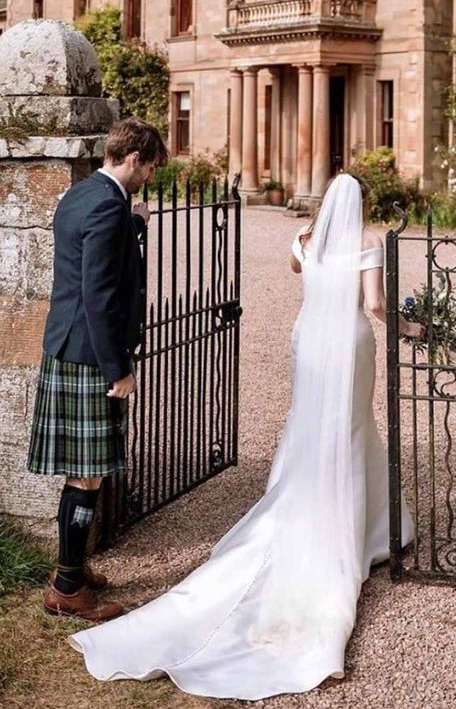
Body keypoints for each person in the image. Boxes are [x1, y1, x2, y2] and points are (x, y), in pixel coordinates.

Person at [68, 172, 422, 700]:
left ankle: (344, 514)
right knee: (350, 428)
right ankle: (361, 530)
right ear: (363, 204)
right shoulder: (369, 241)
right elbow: (373, 306)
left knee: (309, 425)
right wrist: (415, 327)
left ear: (324, 201)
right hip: (348, 342)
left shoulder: (302, 239)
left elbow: (299, 270)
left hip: (309, 339)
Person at [27, 117, 168, 621]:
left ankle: (73, 569)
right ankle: (67, 587)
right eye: (150, 167)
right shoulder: (108, 206)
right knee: (87, 476)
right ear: (134, 159)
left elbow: (92, 251)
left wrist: (133, 223)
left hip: (66, 344)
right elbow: (99, 294)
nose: (149, 177)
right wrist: (118, 369)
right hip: (91, 353)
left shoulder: (84, 194)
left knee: (83, 471)